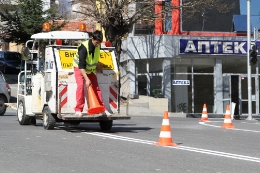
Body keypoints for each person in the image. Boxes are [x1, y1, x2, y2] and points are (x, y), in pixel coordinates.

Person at [73, 30, 111, 117]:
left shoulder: (98, 46)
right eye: (96, 42)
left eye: (99, 43)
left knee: (97, 88)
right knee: (80, 87)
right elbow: (81, 65)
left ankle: (102, 109)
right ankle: (78, 110)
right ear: (92, 39)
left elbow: (95, 57)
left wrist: (98, 66)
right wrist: (87, 79)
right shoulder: (83, 47)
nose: (98, 45)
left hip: (91, 70)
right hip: (80, 69)